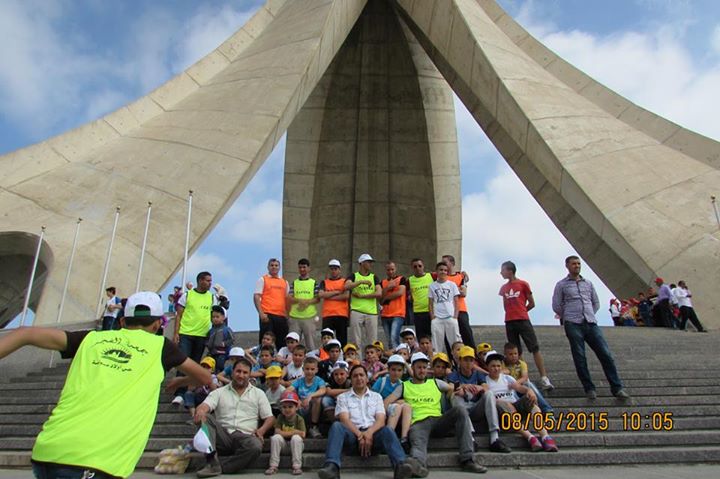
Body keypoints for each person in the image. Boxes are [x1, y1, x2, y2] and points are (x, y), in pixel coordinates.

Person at [0, 291, 210, 479]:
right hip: (94, 461)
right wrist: (181, 380)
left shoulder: (90, 338)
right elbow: (205, 378)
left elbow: (25, 333)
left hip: (48, 451)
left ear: (122, 322)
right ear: (158, 325)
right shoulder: (161, 346)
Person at [384, 352, 487, 475]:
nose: (422, 370)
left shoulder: (435, 382)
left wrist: (456, 392)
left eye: (424, 367)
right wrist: (398, 402)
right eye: (419, 367)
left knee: (460, 410)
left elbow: (451, 389)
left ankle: (467, 460)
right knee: (417, 448)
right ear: (412, 369)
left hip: (438, 420)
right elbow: (386, 402)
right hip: (418, 422)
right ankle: (417, 466)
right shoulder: (404, 386)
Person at [316, 364, 415, 479]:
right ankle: (332, 467)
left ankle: (400, 466)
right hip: (352, 437)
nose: (359, 378)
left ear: (367, 378)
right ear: (351, 379)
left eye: (361, 375)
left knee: (387, 430)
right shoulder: (343, 397)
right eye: (355, 376)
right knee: (337, 426)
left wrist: (368, 433)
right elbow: (344, 419)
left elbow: (381, 420)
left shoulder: (376, 397)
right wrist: (360, 435)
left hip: (373, 437)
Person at [552, 256, 630, 400]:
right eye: (574, 264)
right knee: (580, 357)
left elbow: (596, 302)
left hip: (591, 322)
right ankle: (589, 388)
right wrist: (569, 315)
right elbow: (556, 305)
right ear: (567, 266)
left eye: (578, 264)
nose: (577, 266)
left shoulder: (588, 283)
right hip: (573, 323)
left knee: (606, 354)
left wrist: (588, 313)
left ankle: (617, 387)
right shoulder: (561, 285)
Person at [194, 357, 275, 477]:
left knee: (256, 446)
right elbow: (205, 406)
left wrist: (261, 430)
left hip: (246, 437)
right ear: (232, 372)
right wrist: (200, 411)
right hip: (222, 436)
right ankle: (212, 462)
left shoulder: (258, 394)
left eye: (245, 372)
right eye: (238, 371)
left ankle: (217, 466)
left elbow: (270, 418)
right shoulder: (219, 392)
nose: (241, 375)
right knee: (205, 417)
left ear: (250, 375)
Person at [173, 271, 229, 405]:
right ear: (200, 281)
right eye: (208, 281)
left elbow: (222, 311)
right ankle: (179, 393)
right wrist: (176, 333)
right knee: (183, 362)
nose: (210, 283)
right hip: (186, 333)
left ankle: (187, 389)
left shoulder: (212, 297)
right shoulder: (187, 295)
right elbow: (178, 315)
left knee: (194, 364)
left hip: (203, 335)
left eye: (211, 281)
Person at [484, 351, 558, 452]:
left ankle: (545, 437)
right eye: (493, 366)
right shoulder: (485, 381)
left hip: (515, 405)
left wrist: (529, 391)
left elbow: (519, 387)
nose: (496, 368)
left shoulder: (507, 378)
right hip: (502, 412)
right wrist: (504, 403)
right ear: (487, 367)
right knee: (502, 403)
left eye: (498, 366)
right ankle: (530, 437)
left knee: (531, 402)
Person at [498, 261, 554, 390]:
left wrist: (522, 311)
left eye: (503, 270)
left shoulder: (523, 284)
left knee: (534, 347)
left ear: (510, 271)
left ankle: (544, 377)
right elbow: (505, 305)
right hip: (509, 321)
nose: (501, 272)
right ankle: (524, 377)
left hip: (523, 320)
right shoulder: (503, 288)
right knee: (516, 352)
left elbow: (532, 303)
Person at [448, 346, 510, 453]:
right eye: (465, 360)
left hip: (476, 408)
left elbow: (486, 387)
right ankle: (470, 438)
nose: (468, 363)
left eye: (471, 360)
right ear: (460, 361)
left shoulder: (478, 374)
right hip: (462, 410)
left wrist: (479, 387)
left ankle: (494, 438)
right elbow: (449, 391)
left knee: (489, 394)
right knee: (455, 396)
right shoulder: (454, 375)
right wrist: (463, 387)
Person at [372, 354, 413, 451]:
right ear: (389, 370)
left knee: (407, 406)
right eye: (393, 370)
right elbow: (372, 397)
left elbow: (405, 400)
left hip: (396, 412)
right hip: (381, 408)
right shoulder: (381, 381)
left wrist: (400, 401)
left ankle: (404, 438)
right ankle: (388, 437)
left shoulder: (402, 384)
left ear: (403, 372)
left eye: (399, 370)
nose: (396, 373)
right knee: (397, 407)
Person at [503, 343, 553, 414]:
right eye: (510, 354)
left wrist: (516, 384)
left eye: (515, 353)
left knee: (530, 384)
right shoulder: (502, 364)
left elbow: (525, 377)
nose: (513, 356)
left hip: (520, 385)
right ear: (505, 354)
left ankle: (546, 409)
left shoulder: (522, 363)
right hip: (509, 388)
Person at [345, 253, 382, 348]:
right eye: (368, 262)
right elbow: (346, 286)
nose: (370, 264)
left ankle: (372, 361)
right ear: (361, 263)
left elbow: (379, 293)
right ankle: (358, 361)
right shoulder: (353, 276)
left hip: (371, 312)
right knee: (355, 340)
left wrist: (362, 295)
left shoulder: (374, 277)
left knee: (373, 341)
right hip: (356, 311)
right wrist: (361, 281)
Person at [267, 390, 306, 476]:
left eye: (290, 407)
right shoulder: (280, 417)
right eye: (284, 407)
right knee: (276, 437)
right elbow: (276, 431)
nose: (287, 409)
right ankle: (273, 466)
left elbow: (302, 434)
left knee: (296, 438)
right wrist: (294, 432)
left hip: (297, 446)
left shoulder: (299, 419)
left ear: (296, 407)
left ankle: (297, 466)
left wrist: (285, 433)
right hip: (283, 446)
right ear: (281, 408)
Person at [440, 255, 475, 348]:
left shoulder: (460, 276)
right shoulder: (441, 278)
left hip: (461, 310)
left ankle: (474, 357)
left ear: (452, 263)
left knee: (467, 334)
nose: (443, 265)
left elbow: (463, 293)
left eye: (445, 262)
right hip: (447, 312)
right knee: (449, 338)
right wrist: (456, 290)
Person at [254, 258, 290, 348]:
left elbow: (288, 300)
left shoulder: (285, 282)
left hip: (281, 316)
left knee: (282, 343)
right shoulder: (262, 280)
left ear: (279, 267)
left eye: (276, 265)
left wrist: (288, 315)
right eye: (272, 265)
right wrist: (261, 313)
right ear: (268, 267)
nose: (274, 267)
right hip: (267, 315)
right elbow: (256, 297)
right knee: (266, 342)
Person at [288, 356, 327, 438]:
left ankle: (314, 426)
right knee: (289, 399)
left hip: (313, 409)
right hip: (300, 407)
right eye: (307, 369)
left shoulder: (319, 380)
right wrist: (296, 399)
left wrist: (310, 396)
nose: (309, 372)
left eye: (312, 369)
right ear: (303, 369)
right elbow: (288, 390)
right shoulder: (299, 380)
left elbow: (323, 390)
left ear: (316, 370)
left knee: (317, 399)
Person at [428, 262, 461, 355]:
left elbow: (456, 301)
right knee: (436, 343)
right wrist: (432, 317)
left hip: (450, 317)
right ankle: (437, 360)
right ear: (437, 271)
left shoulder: (452, 285)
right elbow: (430, 303)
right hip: (437, 318)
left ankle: (457, 361)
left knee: (455, 342)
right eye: (441, 270)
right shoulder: (432, 286)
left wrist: (455, 316)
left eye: (445, 270)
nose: (443, 272)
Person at [288, 258, 320, 350]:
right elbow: (290, 297)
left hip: (309, 317)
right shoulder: (294, 283)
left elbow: (317, 298)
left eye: (304, 267)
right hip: (295, 317)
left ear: (309, 268)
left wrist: (306, 302)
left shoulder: (314, 283)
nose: (302, 269)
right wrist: (300, 301)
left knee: (310, 344)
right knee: (293, 345)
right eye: (300, 267)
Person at [319, 259, 350, 346]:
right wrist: (336, 292)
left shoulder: (345, 281)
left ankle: (342, 358)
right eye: (332, 269)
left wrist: (329, 296)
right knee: (327, 341)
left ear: (339, 270)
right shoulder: (324, 282)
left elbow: (346, 296)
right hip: (328, 315)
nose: (333, 271)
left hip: (341, 314)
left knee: (342, 340)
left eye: (335, 269)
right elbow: (321, 295)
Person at [380, 261, 408, 350]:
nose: (390, 272)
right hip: (385, 314)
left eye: (392, 269)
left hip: (398, 313)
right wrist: (388, 288)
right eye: (388, 270)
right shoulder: (383, 282)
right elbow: (380, 298)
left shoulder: (401, 279)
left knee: (394, 338)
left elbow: (400, 292)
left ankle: (398, 358)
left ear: (395, 269)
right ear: (385, 270)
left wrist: (385, 297)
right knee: (389, 340)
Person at [408, 258, 433, 340]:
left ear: (423, 266)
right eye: (415, 266)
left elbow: (446, 274)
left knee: (432, 336)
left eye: (420, 266)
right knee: (421, 337)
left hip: (431, 312)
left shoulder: (432, 276)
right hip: (417, 312)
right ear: (412, 268)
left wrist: (462, 274)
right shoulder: (409, 280)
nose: (418, 268)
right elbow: (407, 293)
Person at [206, 306, 234, 373]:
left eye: (217, 317)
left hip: (222, 353)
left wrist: (224, 344)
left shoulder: (226, 329)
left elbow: (232, 339)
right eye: (213, 317)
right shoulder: (211, 331)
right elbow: (207, 339)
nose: (215, 319)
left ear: (223, 317)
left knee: (220, 366)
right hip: (212, 353)